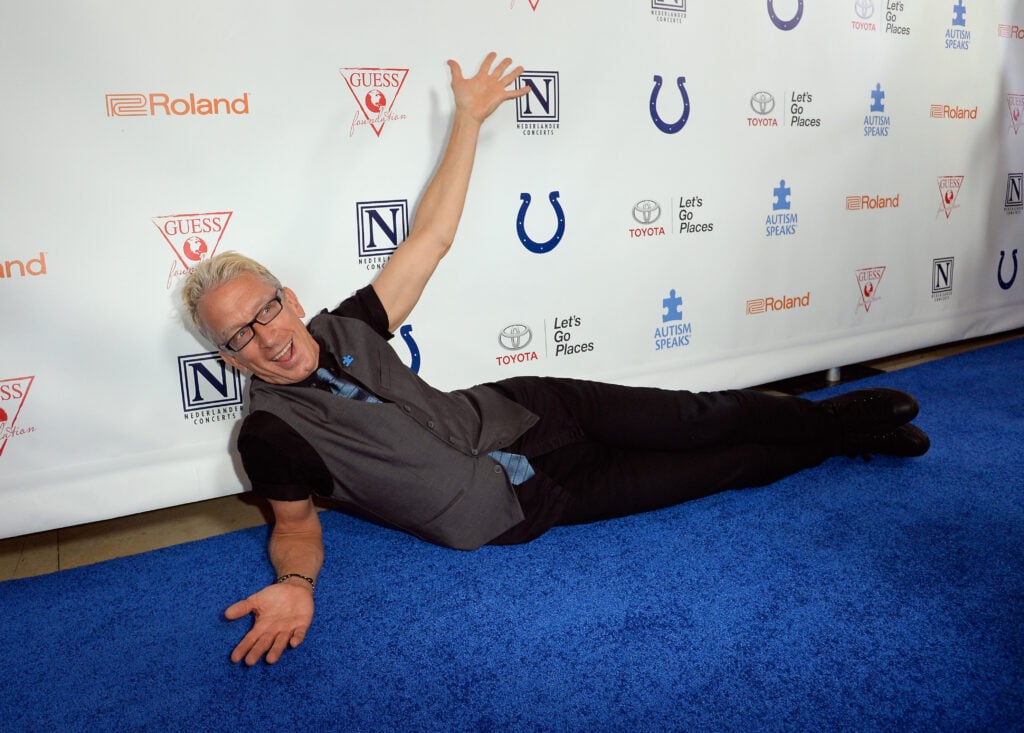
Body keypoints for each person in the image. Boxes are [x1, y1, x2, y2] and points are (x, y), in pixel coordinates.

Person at [181, 52, 929, 666]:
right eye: (240, 336)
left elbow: (429, 240)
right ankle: (843, 437)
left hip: (534, 408)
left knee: (707, 417)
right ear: (229, 358)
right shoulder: (268, 431)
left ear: (288, 295)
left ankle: (839, 419)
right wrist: (295, 582)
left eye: (266, 309)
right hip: (522, 502)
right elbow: (296, 523)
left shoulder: (348, 326)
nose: (268, 336)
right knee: (721, 469)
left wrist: (469, 119)